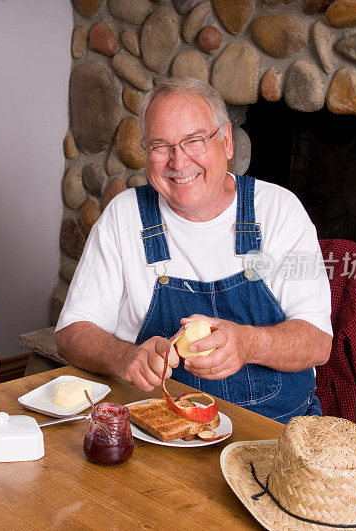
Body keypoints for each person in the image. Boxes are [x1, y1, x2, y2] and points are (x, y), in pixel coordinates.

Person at [55, 77, 332, 422]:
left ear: (227, 141)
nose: (178, 161)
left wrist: (247, 344)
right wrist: (125, 357)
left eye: (194, 141)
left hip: (276, 428)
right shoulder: (124, 216)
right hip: (161, 427)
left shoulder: (280, 211)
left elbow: (317, 342)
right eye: (160, 146)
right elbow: (71, 333)